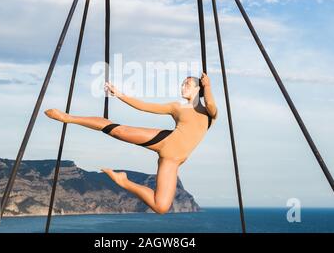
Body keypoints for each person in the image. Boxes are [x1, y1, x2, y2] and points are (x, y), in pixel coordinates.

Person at [44, 72, 218, 214]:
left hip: (173, 160)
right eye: (182, 83)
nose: (182, 86)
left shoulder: (210, 114)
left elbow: (210, 103)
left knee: (161, 207)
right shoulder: (176, 107)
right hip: (166, 141)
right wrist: (119, 94)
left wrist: (208, 86)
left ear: (198, 88)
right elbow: (144, 106)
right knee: (118, 130)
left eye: (187, 84)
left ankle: (123, 181)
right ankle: (69, 118)